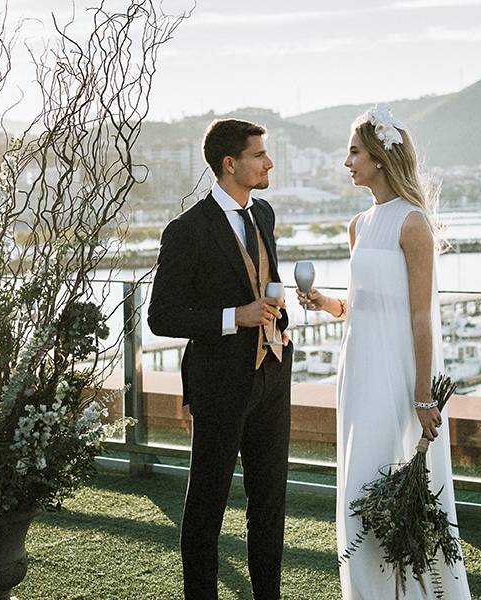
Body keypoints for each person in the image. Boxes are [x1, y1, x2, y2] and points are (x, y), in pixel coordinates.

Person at [298, 105, 471, 599]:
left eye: (353, 151)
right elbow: (361, 304)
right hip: (358, 370)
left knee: (399, 481)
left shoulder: (413, 223)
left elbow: (420, 316)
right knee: (360, 484)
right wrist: (325, 302)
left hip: (400, 374)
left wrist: (422, 395)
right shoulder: (358, 225)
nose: (346, 162)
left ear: (378, 157)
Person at [147, 119, 292, 600]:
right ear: (230, 164)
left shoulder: (264, 213)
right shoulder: (187, 230)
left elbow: (261, 282)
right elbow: (162, 317)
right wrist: (238, 316)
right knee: (207, 506)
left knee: (269, 504)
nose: (269, 162)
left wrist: (278, 323)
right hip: (218, 383)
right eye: (259, 155)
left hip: (273, 374)